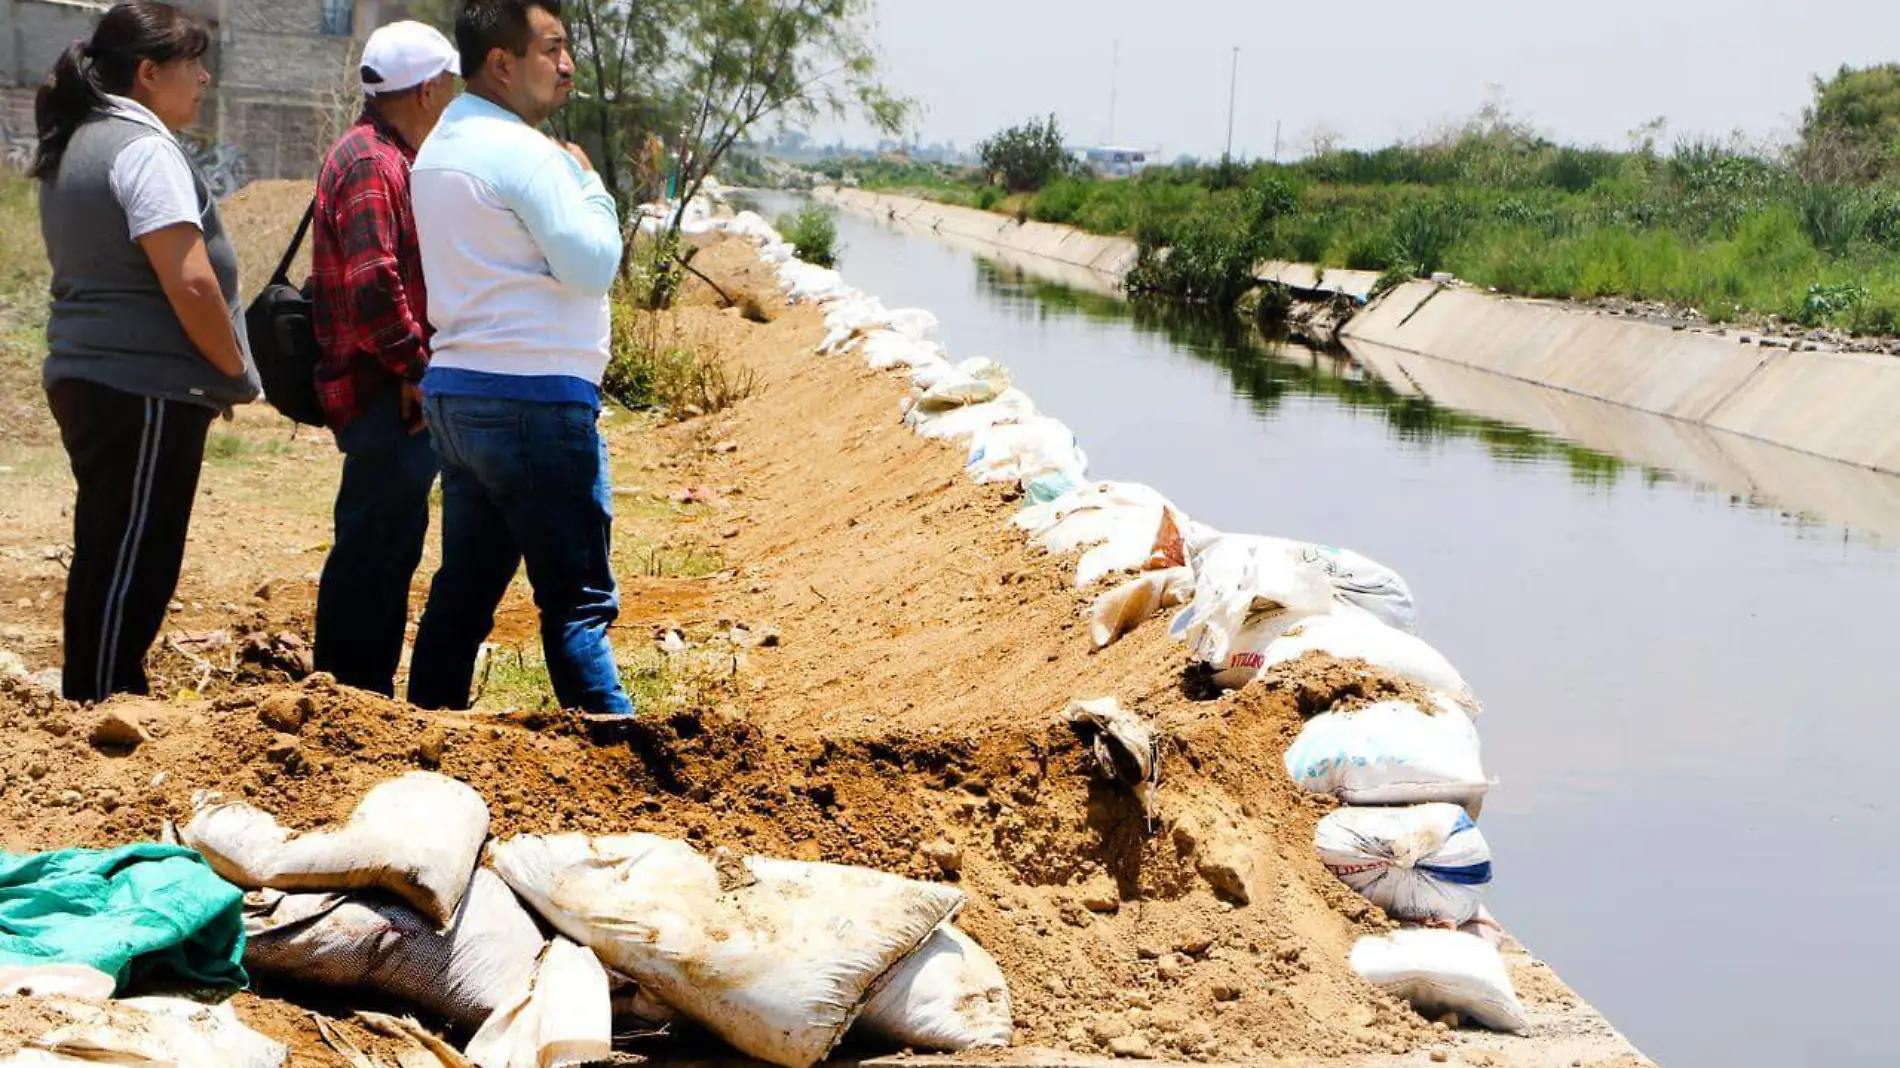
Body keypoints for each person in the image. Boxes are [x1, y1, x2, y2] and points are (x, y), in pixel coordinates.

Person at [406, 0, 631, 717]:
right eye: (551, 49)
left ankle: (426, 739)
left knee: (465, 589)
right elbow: (593, 266)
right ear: (502, 63)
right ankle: (619, 758)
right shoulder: (528, 154)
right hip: (532, 403)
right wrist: (592, 185)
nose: (567, 66)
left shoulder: (442, 146)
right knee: (576, 601)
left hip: (461, 396)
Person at [33, 0, 259, 704]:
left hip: (97, 374)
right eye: (194, 66)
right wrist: (232, 367)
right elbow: (190, 282)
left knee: (112, 544)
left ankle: (98, 691)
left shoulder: (81, 139)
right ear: (150, 72)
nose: (204, 81)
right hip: (143, 388)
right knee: (136, 553)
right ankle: (101, 701)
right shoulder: (144, 148)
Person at [309, 21, 458, 697]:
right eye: (450, 86)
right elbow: (374, 287)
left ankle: (357, 699)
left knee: (385, 548)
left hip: (386, 394)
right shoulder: (375, 164)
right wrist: (419, 371)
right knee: (373, 554)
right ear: (428, 90)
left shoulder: (379, 152)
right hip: (382, 400)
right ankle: (350, 703)